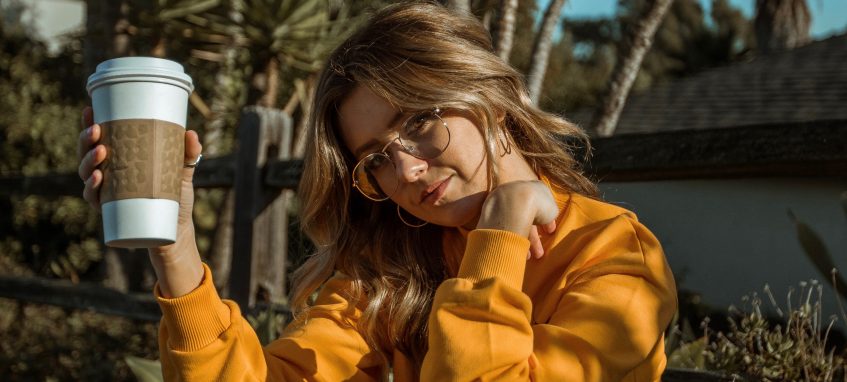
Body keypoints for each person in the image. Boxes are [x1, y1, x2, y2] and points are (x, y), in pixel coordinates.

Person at [77, 2, 677, 381]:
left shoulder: (615, 256)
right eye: (377, 159)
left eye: (420, 122)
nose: (407, 172)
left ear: (489, 101)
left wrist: (500, 232)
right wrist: (175, 245)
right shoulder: (388, 272)